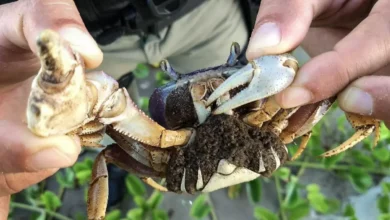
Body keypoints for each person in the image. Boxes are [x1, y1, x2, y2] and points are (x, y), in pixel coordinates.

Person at [0, 0, 389, 218]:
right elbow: (105, 106)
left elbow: (302, 78)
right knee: (103, 115)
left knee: (311, 78)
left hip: (204, 14)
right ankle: (115, 178)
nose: (213, 98)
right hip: (90, 30)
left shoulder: (268, 112)